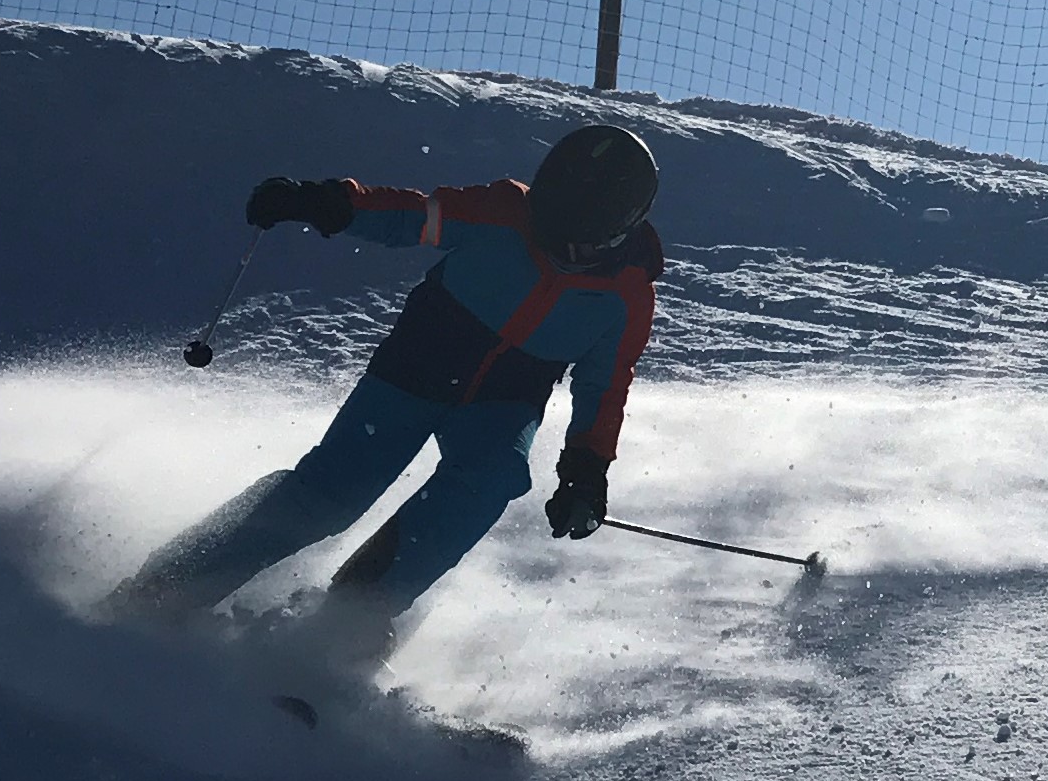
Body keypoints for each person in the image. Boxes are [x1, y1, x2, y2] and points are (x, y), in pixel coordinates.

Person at [110, 123, 663, 676]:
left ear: (616, 233)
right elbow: (412, 215)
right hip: (415, 369)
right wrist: (326, 202)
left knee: (489, 480)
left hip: (505, 402)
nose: (556, 249)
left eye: (575, 244)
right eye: (547, 224)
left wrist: (586, 470)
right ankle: (167, 586)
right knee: (331, 493)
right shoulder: (503, 211)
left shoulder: (628, 296)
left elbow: (605, 385)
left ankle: (352, 618)